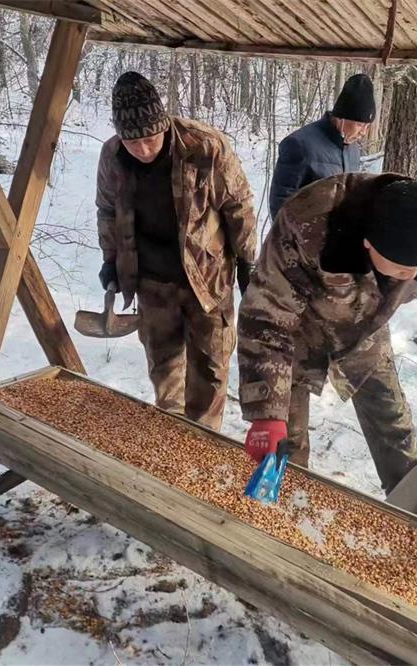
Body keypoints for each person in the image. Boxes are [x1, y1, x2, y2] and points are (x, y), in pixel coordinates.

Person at [237, 173, 417, 493]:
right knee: (284, 442)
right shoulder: (307, 224)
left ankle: (409, 511)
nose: (416, 277)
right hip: (295, 336)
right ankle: (279, 510)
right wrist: (267, 411)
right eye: (404, 270)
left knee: (393, 427)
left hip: (365, 333)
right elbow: (267, 318)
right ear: (368, 243)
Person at [96, 72, 257, 430]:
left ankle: (203, 441)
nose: (143, 149)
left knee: (210, 368)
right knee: (164, 368)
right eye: (132, 142)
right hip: (151, 281)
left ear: (164, 125)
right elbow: (106, 210)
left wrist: (247, 259)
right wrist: (110, 261)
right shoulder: (112, 157)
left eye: (151, 139)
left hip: (207, 278)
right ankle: (172, 438)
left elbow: (238, 204)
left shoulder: (203, 146)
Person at [268, 74, 375, 220]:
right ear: (341, 117)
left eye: (368, 126)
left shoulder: (353, 149)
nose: (363, 132)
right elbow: (280, 204)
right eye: (360, 124)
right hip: (304, 238)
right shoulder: (298, 144)